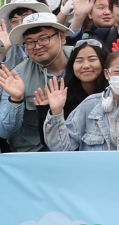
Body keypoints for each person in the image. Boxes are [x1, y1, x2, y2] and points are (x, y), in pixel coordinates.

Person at [41, 48, 119, 151]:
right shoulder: (89, 105)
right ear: (106, 74)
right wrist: (56, 112)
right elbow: (61, 148)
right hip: (95, 174)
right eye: (117, 72)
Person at [0, 13, 73, 151]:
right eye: (30, 42)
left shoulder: (81, 61)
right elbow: (4, 131)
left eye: (43, 38)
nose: (37, 46)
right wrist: (16, 99)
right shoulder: (18, 75)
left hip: (79, 149)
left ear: (62, 38)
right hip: (33, 153)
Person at [60, 40, 109, 118]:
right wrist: (54, 111)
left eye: (92, 59)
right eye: (79, 61)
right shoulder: (63, 94)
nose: (86, 66)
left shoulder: (114, 92)